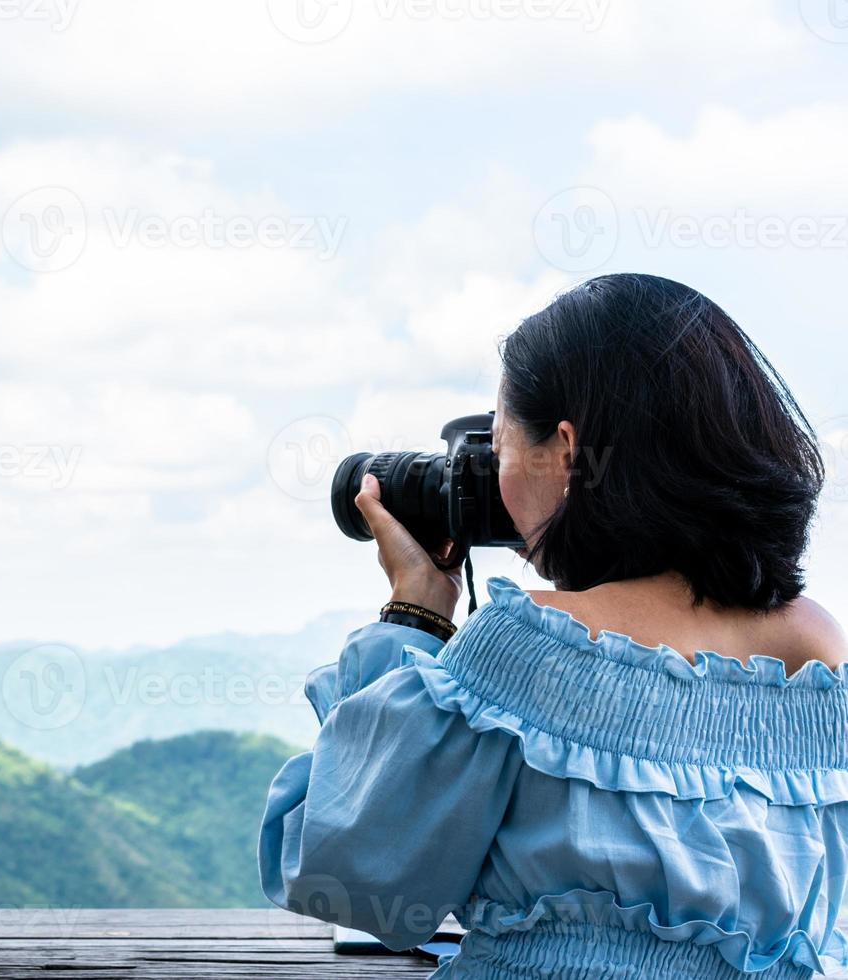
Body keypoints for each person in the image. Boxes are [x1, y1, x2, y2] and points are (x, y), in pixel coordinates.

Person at [260, 274, 848, 979]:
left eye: (501, 440)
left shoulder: (527, 647)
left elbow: (348, 875)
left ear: (564, 449)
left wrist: (415, 609)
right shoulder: (817, 654)